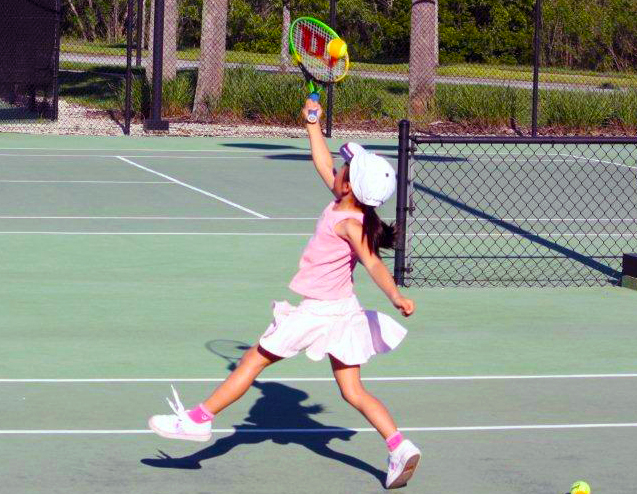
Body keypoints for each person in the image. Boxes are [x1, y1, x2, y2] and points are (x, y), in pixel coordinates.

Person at [148, 98, 421, 489]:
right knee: (353, 391)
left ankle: (198, 420)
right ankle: (400, 446)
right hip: (344, 310)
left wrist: (395, 296)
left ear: (351, 184)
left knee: (252, 361)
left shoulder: (349, 221)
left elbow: (374, 263)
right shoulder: (348, 202)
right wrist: (313, 123)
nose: (339, 168)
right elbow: (323, 162)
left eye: (346, 168)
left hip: (319, 314)